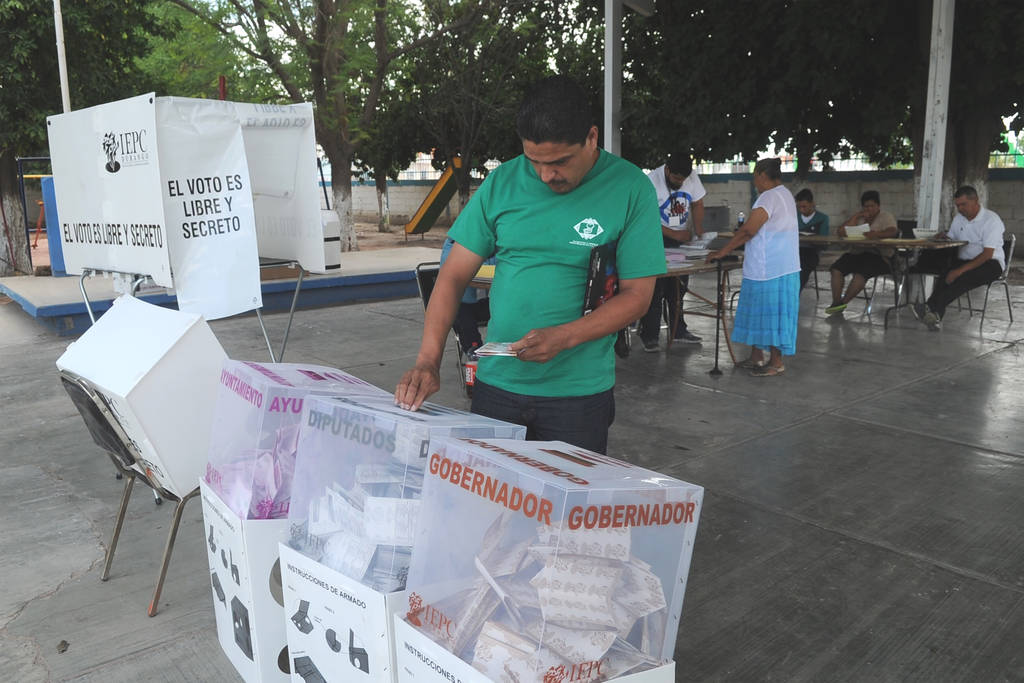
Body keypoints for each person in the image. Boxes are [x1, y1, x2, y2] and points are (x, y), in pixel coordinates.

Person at [394, 75, 664, 454]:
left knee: (567, 494)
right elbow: (453, 277)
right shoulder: (502, 183)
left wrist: (564, 337)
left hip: (578, 394)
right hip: (497, 388)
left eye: (559, 162)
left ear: (591, 138)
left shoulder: (631, 188)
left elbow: (638, 296)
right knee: (491, 491)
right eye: (534, 161)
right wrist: (427, 361)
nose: (545, 175)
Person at [707, 158, 799, 376]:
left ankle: (775, 362)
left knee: (772, 315)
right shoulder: (785, 194)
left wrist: (723, 251)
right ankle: (756, 357)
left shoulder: (768, 197)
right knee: (760, 313)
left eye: (755, 177)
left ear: (763, 176)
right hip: (779, 267)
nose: (754, 182)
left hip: (770, 269)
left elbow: (749, 230)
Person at [913, 185, 1006, 331]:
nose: (960, 209)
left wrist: (959, 271)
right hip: (965, 260)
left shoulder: (991, 220)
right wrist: (943, 237)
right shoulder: (959, 218)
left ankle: (931, 308)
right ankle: (934, 313)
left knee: (962, 278)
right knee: (946, 274)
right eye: (958, 206)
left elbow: (987, 254)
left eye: (964, 204)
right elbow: (952, 239)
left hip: (991, 263)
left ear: (976, 200)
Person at [637, 152, 705, 350]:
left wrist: (699, 231)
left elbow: (698, 204)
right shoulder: (651, 181)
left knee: (678, 288)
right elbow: (645, 218)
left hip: (680, 240)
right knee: (655, 289)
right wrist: (675, 234)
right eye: (676, 178)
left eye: (683, 179)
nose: (680, 182)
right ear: (667, 170)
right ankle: (650, 335)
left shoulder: (691, 177)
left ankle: (678, 331)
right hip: (655, 239)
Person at [825, 190, 898, 315]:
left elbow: (893, 231)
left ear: (878, 205)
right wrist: (856, 217)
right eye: (865, 206)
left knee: (861, 274)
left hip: (878, 256)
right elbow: (841, 232)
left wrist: (876, 234)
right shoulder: (860, 218)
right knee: (836, 269)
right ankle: (836, 302)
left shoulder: (886, 217)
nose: (868, 209)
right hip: (856, 253)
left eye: (871, 206)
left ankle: (843, 303)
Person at [440, 237, 493, 355]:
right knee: (459, 310)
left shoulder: (490, 243)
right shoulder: (452, 244)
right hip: (460, 304)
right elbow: (461, 270)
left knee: (509, 304)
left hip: (482, 303)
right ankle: (474, 351)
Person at [794, 188, 829, 290]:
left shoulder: (822, 218)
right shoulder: (794, 216)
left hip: (812, 253)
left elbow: (823, 242)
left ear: (812, 203)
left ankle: (795, 294)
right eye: (799, 207)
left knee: (802, 270)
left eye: (804, 206)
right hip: (794, 251)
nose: (801, 210)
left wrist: (811, 239)